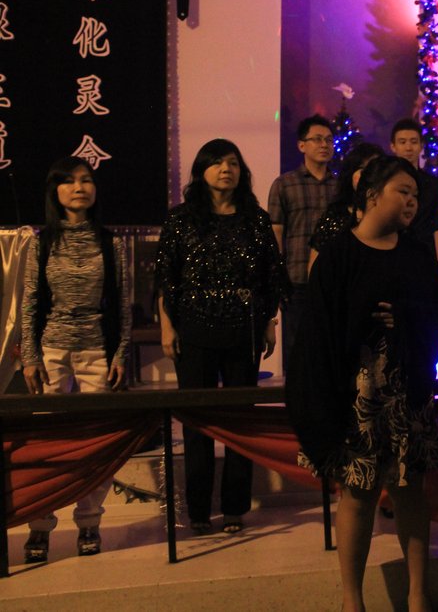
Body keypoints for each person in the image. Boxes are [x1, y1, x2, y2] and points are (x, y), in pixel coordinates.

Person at [287, 156, 438, 612]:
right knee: (357, 494)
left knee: (410, 492)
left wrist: (408, 316)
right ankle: (352, 599)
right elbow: (318, 332)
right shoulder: (338, 254)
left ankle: (418, 595)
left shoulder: (416, 253)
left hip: (407, 391)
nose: (412, 201)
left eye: (416, 195)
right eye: (403, 191)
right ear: (372, 194)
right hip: (356, 394)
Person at [156, 138, 287, 535]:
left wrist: (269, 321)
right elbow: (166, 278)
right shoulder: (180, 219)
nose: (225, 169)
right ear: (201, 170)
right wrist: (167, 326)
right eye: (216, 162)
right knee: (196, 422)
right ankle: (198, 511)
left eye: (232, 162)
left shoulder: (255, 219)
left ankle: (234, 508)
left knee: (238, 423)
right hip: (193, 330)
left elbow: (271, 276)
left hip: (243, 331)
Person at [20, 156, 131, 563]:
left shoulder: (110, 243)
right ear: (56, 191)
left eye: (86, 180)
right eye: (69, 181)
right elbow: (30, 302)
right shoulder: (42, 242)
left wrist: (120, 353)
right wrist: (30, 356)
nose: (79, 187)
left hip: (96, 349)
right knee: (47, 443)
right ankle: (39, 525)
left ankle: (89, 523)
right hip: (52, 350)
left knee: (95, 441)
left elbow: (122, 304)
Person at [268, 115, 338, 363]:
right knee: (297, 351)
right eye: (317, 139)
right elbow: (276, 233)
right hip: (297, 280)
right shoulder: (284, 185)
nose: (324, 145)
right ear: (301, 145)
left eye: (328, 140)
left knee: (332, 352)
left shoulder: (340, 187)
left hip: (335, 281)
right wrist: (278, 278)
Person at [307, 142, 384, 271]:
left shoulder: (390, 215)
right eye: (362, 169)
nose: (368, 176)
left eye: (374, 169)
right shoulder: (335, 215)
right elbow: (315, 267)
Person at [390, 118, 438, 272]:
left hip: (425, 258)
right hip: (391, 257)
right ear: (393, 146)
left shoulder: (434, 184)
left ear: (421, 145)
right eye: (402, 142)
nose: (408, 147)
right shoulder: (384, 183)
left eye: (413, 142)